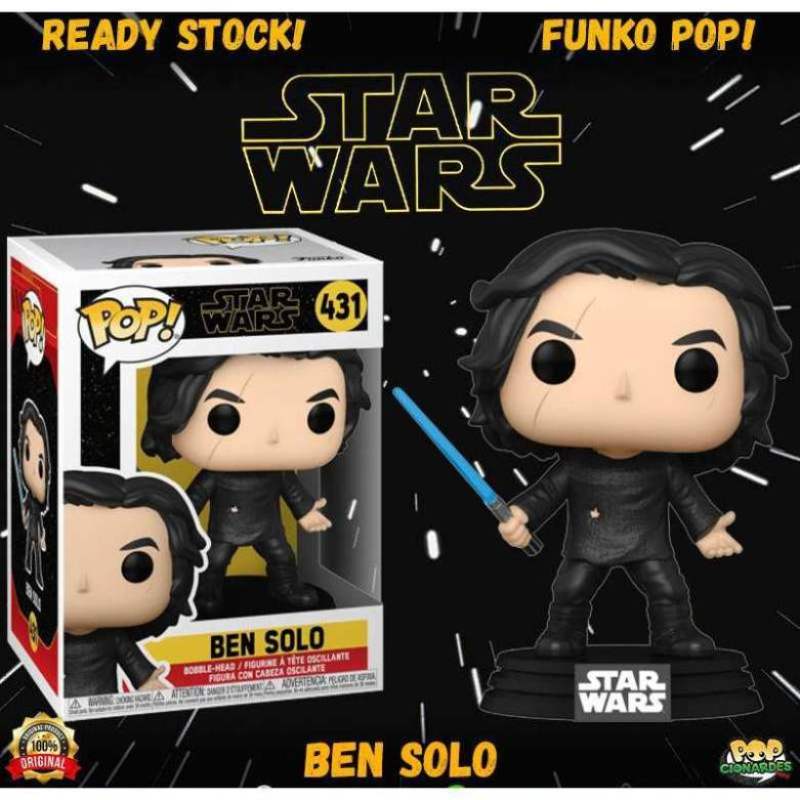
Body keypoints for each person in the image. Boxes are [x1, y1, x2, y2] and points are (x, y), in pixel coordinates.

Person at [462, 228, 790, 658]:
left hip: (648, 542)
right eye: (556, 361)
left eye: (695, 370)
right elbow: (545, 494)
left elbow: (687, 497)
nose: (622, 389)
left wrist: (708, 530)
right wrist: (518, 515)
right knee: (570, 589)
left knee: (667, 588)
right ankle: (563, 633)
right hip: (587, 543)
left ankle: (675, 633)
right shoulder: (576, 467)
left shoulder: (662, 467)